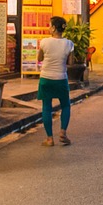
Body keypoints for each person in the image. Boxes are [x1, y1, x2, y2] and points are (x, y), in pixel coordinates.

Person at [37, 15, 74, 147]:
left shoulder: (44, 42)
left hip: (46, 78)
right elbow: (70, 62)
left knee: (46, 107)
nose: (48, 27)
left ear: (53, 28)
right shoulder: (69, 44)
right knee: (65, 105)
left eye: (49, 25)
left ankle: (49, 138)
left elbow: (40, 58)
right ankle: (63, 131)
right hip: (61, 78)